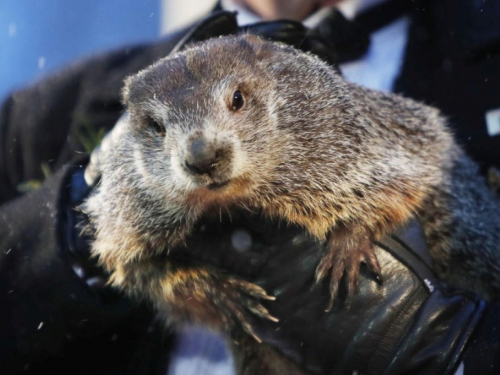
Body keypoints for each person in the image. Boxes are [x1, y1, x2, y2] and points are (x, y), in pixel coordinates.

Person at [1, 0, 499, 374]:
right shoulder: (45, 115)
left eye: (236, 102)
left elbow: (400, 182)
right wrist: (67, 232)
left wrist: (457, 351)